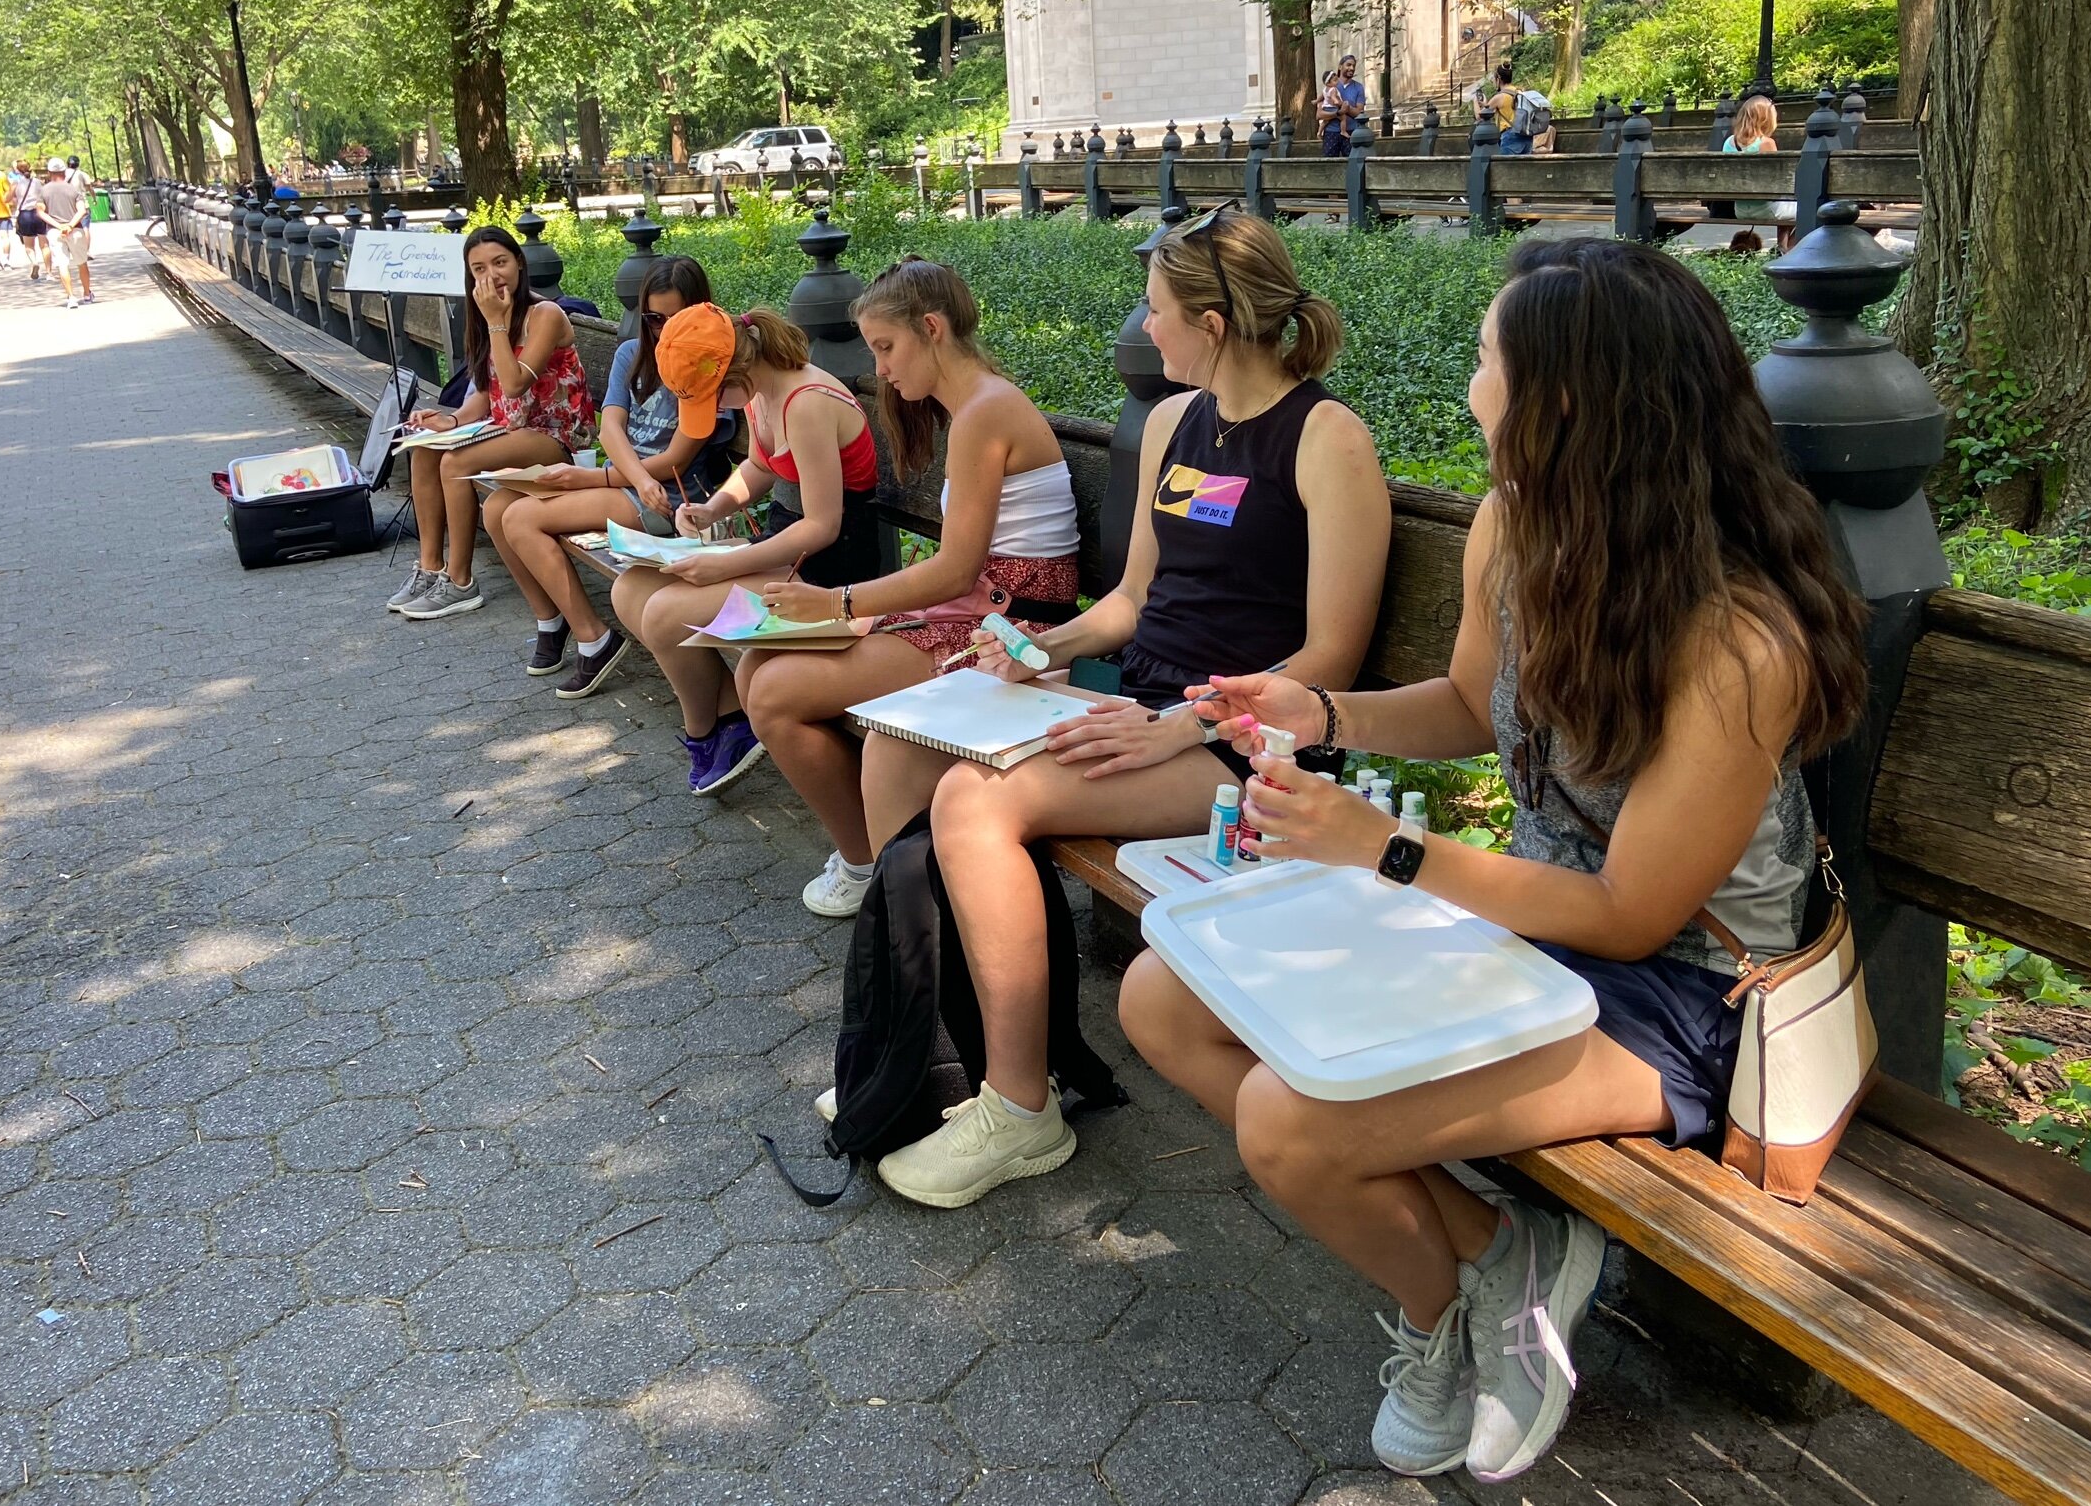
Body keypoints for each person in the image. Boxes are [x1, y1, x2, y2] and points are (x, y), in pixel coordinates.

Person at [1120, 237, 1867, 1486]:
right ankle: (1494, 1260)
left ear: (1563, 403)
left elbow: (1632, 916)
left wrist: (1387, 851)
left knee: (1290, 1122)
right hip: (1534, 933)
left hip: (1694, 998)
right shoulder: (1516, 530)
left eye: (1484, 361)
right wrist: (1326, 716)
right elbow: (1473, 705)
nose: (1468, 388)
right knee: (1162, 998)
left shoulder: (1738, 639)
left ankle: (1447, 1304)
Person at [854, 205, 1391, 1209]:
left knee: (977, 802)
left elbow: (1330, 661)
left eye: (1155, 312)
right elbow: (1133, 602)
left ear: (1213, 325)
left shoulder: (1325, 439)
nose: (1143, 331)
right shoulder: (1176, 427)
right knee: (900, 743)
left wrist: (1182, 724)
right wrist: (1035, 649)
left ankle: (1022, 1110)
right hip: (1143, 705)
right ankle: (925, 1053)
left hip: (1247, 746)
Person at [743, 260, 1081, 915]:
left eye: (886, 347)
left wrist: (836, 602)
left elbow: (957, 569)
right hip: (970, 615)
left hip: (1005, 635)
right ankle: (869, 855)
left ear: (932, 328)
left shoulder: (986, 411)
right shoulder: (977, 407)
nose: (882, 368)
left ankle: (865, 863)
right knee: (757, 663)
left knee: (774, 692)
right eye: (873, 350)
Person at [608, 303, 884, 794]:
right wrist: (713, 509)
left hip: (830, 565)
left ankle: (708, 731)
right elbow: (759, 467)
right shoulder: (762, 391)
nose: (717, 409)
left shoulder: (806, 403)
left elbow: (822, 525)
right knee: (631, 589)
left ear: (735, 369)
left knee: (665, 614)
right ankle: (727, 720)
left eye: (713, 396)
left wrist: (726, 564)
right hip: (788, 544)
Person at [492, 256, 735, 695]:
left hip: (669, 501)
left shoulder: (704, 362)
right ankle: (551, 621)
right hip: (631, 482)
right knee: (497, 506)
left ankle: (594, 639)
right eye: (653, 317)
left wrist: (604, 479)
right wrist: (626, 475)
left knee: (521, 519)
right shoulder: (632, 353)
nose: (663, 328)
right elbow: (610, 427)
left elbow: (676, 461)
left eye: (674, 317)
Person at [387, 225, 598, 621]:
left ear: (518, 262)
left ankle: (461, 581)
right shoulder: (489, 318)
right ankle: (430, 569)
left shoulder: (545, 315)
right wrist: (449, 418)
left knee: (455, 461)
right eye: (479, 268)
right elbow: (486, 392)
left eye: (500, 263)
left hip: (557, 437)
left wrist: (497, 322)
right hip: (512, 429)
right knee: (423, 450)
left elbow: (515, 385)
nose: (492, 275)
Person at [1721, 93, 1796, 251]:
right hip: (1767, 209)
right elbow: (1780, 181)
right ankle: (1786, 249)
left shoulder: (1729, 142)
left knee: (1787, 205)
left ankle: (1781, 247)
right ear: (1766, 119)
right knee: (1812, 208)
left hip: (1740, 210)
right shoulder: (1766, 143)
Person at [37, 159, 93, 306]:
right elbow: (82, 210)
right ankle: (87, 294)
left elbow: (40, 212)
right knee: (82, 263)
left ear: (49, 173)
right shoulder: (73, 190)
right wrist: (70, 225)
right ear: (64, 172)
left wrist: (58, 225)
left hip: (55, 232)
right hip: (75, 230)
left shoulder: (44, 191)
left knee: (62, 264)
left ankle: (71, 297)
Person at [1318, 55, 1369, 157]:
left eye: (1353, 66)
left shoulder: (1358, 88)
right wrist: (1338, 113)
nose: (1352, 68)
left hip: (1351, 133)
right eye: (1348, 65)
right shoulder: (1330, 86)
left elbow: (1359, 114)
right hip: (1330, 132)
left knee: (1352, 166)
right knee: (1330, 167)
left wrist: (1346, 107)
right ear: (1340, 67)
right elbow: (1319, 114)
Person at [10, 158, 49, 278]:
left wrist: (16, 199)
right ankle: (49, 271)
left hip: (25, 214)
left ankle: (34, 262)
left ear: (17, 169)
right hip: (38, 213)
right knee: (44, 245)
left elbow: (6, 198)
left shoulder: (16, 183)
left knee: (29, 246)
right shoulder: (38, 182)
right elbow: (45, 197)